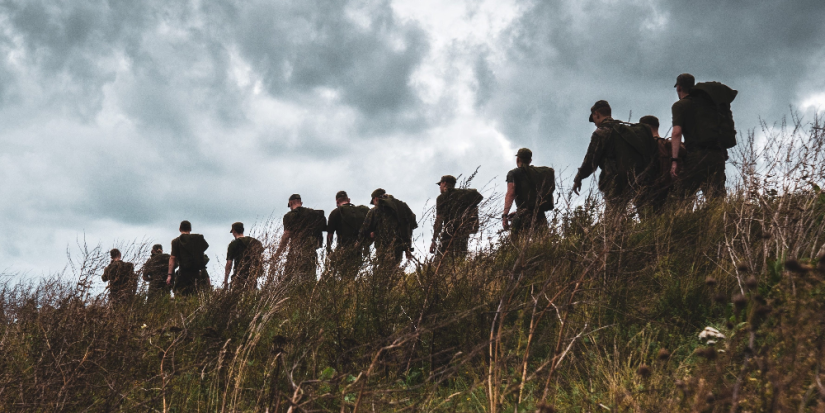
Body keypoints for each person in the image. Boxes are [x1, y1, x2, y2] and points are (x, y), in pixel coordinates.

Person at [572, 100, 652, 217]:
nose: (594, 122)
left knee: (613, 217)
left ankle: (619, 235)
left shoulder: (601, 133)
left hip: (615, 181)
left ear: (597, 114)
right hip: (636, 177)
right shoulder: (624, 130)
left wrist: (578, 178)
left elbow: (590, 161)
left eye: (593, 118)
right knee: (645, 214)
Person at [670, 73, 729, 200]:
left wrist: (674, 160)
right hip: (717, 155)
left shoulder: (680, 105)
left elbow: (676, 133)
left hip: (696, 155)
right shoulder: (708, 105)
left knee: (681, 197)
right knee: (717, 198)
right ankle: (722, 219)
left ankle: (683, 219)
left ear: (679, 87)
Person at [359, 188, 417, 271]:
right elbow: (410, 224)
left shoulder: (375, 210)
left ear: (375, 199)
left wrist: (366, 239)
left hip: (383, 247)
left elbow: (364, 230)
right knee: (394, 270)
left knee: (384, 272)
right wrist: (407, 247)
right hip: (399, 246)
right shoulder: (401, 207)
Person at [637, 115, 685, 212]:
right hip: (674, 192)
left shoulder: (645, 148)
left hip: (650, 194)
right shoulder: (673, 146)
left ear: (645, 128)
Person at [274, 194, 325, 283]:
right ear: (301, 202)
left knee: (288, 279)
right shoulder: (313, 214)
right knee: (310, 280)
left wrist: (278, 253)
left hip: (296, 251)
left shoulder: (289, 216)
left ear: (290, 203)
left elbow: (287, 235)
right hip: (310, 251)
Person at [430, 175, 483, 260]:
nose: (439, 187)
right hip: (463, 231)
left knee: (442, 258)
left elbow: (439, 220)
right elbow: (479, 197)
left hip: (449, 232)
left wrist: (434, 240)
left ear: (444, 183)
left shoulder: (442, 198)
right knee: (460, 257)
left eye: (440, 184)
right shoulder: (465, 194)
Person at [502, 149, 550, 238]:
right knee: (542, 243)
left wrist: (505, 215)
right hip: (540, 215)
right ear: (530, 160)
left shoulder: (513, 173)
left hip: (523, 215)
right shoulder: (537, 174)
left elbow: (511, 193)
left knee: (516, 245)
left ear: (517, 159)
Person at [326, 191, 370, 279]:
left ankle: (346, 291)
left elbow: (330, 235)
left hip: (343, 249)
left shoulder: (336, 213)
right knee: (352, 275)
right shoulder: (361, 211)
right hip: (358, 249)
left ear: (337, 202)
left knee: (344, 276)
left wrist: (329, 250)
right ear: (349, 200)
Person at [168, 220, 210, 297]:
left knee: (180, 294)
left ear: (179, 229)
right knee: (196, 295)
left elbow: (173, 258)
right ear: (190, 229)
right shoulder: (198, 239)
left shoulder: (176, 241)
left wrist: (170, 274)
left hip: (183, 273)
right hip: (197, 273)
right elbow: (205, 247)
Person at [224, 222, 264, 290]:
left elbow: (229, 264)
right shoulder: (255, 242)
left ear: (234, 231)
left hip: (239, 275)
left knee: (235, 294)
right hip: (252, 276)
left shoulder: (233, 244)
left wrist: (225, 281)